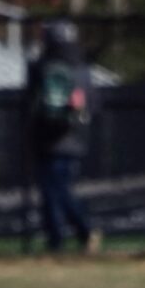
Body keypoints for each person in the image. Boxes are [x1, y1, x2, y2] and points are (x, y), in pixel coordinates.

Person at [26, 20, 98, 252]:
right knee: (59, 188)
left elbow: (31, 104)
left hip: (48, 139)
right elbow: (93, 105)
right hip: (75, 138)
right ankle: (69, 236)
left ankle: (74, 234)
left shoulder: (42, 67)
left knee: (54, 191)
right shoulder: (83, 70)